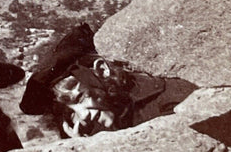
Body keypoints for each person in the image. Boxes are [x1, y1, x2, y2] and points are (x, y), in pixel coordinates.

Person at [19, 23, 197, 138]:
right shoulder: (85, 131)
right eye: (69, 112)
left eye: (80, 98)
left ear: (102, 71)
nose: (82, 115)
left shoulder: (173, 99)